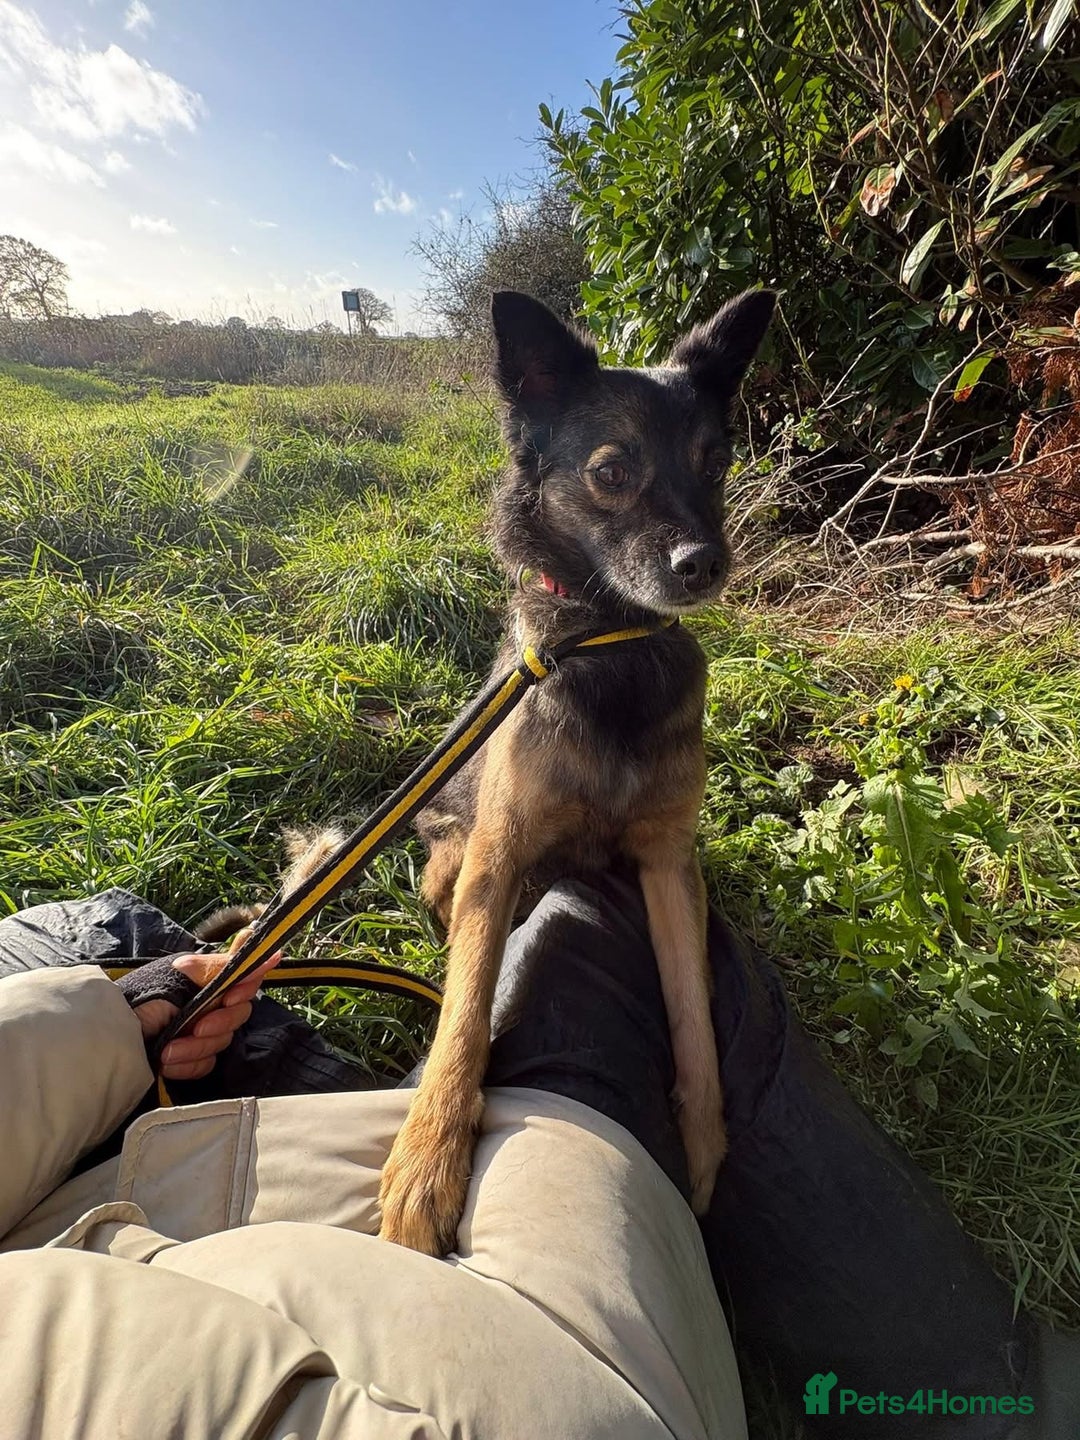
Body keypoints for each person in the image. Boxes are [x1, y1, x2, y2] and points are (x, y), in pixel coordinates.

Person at [0, 871, 1075, 1439]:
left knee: (91, 941)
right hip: (517, 1360)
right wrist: (91, 1026)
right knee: (600, 915)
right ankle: (992, 1401)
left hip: (138, 1250)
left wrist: (118, 1024)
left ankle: (284, 1066)